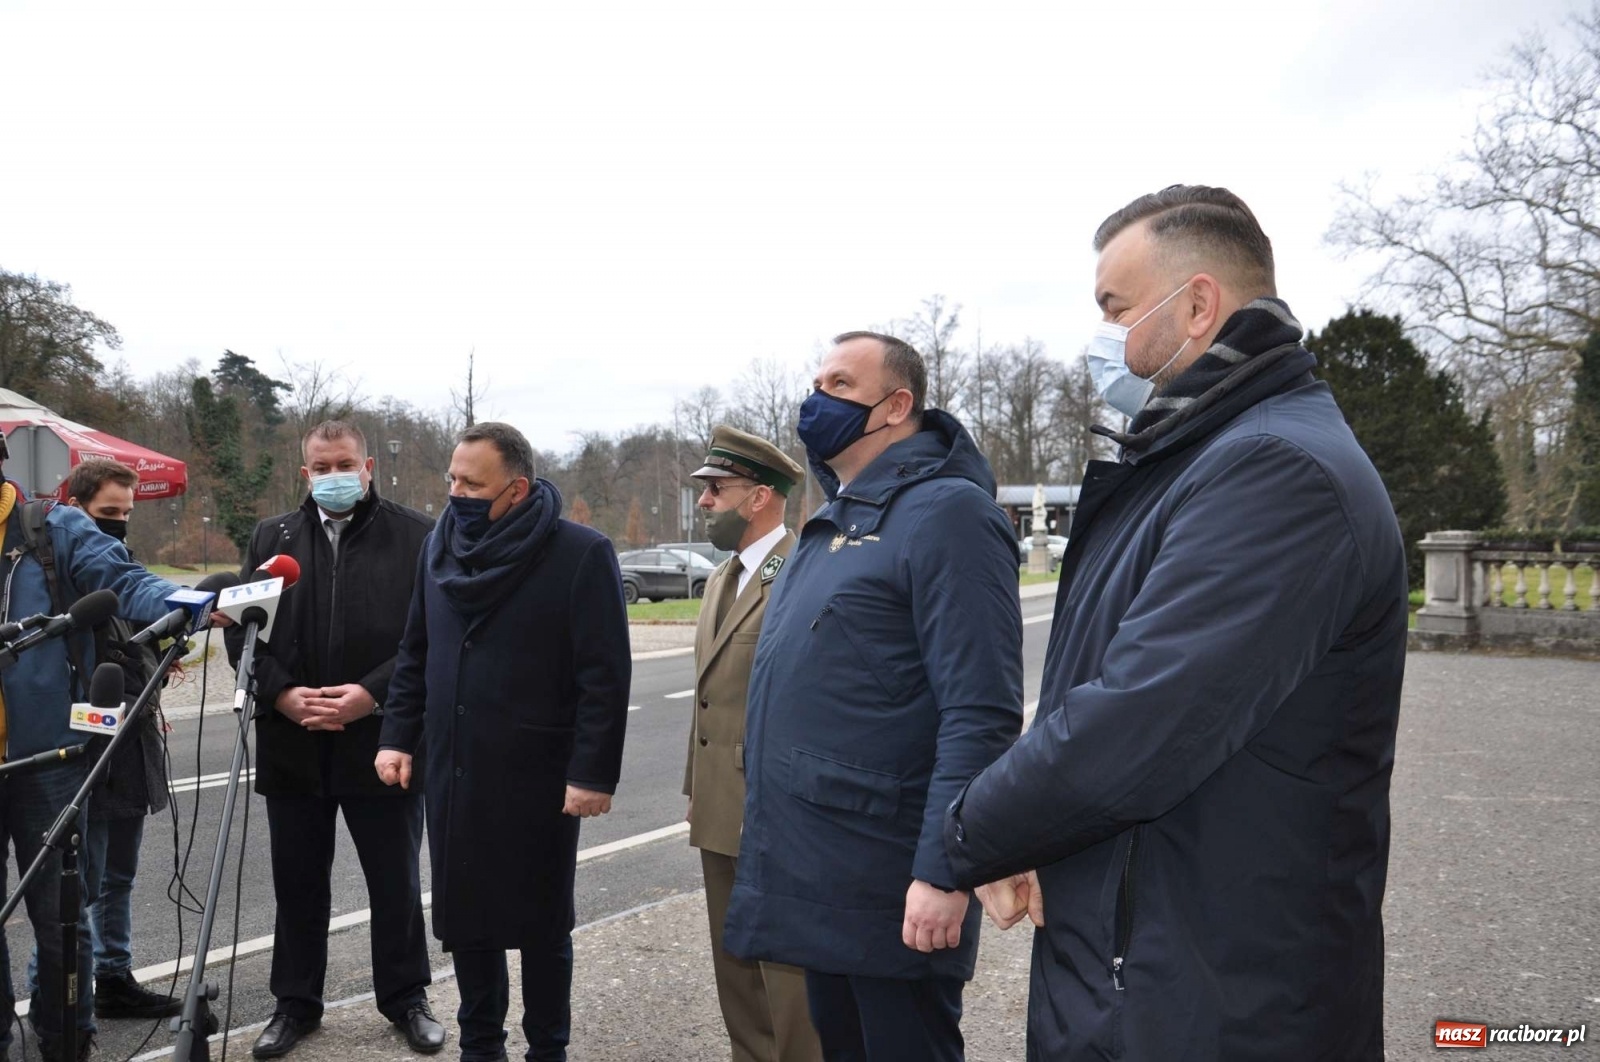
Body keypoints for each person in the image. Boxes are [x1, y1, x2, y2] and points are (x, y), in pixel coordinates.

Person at [944, 185, 1409, 1060]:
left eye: (1115, 309)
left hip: (1211, 994)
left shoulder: (1275, 471)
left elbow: (1133, 727)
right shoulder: (1195, 459)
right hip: (1152, 961)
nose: (1103, 338)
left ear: (1197, 305)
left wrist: (970, 830)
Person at [723, 334, 1024, 1062]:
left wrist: (944, 870)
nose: (815, 398)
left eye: (838, 382)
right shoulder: (840, 517)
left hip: (890, 881)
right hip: (820, 871)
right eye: (816, 380)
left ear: (896, 405)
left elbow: (980, 712)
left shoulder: (948, 513)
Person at [375, 422, 631, 1062]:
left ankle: (549, 1047)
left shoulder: (580, 552)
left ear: (516, 489)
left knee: (543, 924)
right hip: (455, 768)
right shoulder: (440, 548)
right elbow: (415, 651)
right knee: (468, 921)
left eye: (472, 483)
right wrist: (397, 737)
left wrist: (593, 773)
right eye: (452, 479)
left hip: (539, 777)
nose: (456, 493)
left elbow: (604, 675)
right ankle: (481, 1044)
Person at [221, 421, 442, 1059]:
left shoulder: (416, 535)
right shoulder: (273, 537)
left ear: (368, 465)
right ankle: (295, 1005)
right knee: (296, 882)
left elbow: (428, 639)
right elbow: (243, 631)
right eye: (322, 466)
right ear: (305, 473)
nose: (334, 475)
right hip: (294, 739)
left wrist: (369, 694)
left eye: (345, 463)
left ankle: (406, 999)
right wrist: (283, 694)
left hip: (383, 739)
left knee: (395, 880)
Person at [0, 430, 199, 1062]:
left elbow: (127, 581)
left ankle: (67, 1041)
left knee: (62, 916)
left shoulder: (49, 528)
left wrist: (193, 602)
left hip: (50, 758)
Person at [684, 426, 821, 1062]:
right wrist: (695, 788)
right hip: (718, 802)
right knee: (733, 963)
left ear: (761, 496)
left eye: (716, 489)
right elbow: (710, 694)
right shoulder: (720, 579)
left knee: (785, 975)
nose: (704, 502)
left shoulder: (799, 572)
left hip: (775, 806)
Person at [62, 460, 182, 1020]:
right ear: (77, 508)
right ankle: (69, 991)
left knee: (120, 874)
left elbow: (135, 627)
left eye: (127, 514)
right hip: (88, 736)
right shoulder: (62, 566)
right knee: (85, 878)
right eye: (108, 514)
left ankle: (114, 974)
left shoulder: (124, 562)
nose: (119, 525)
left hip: (134, 736)